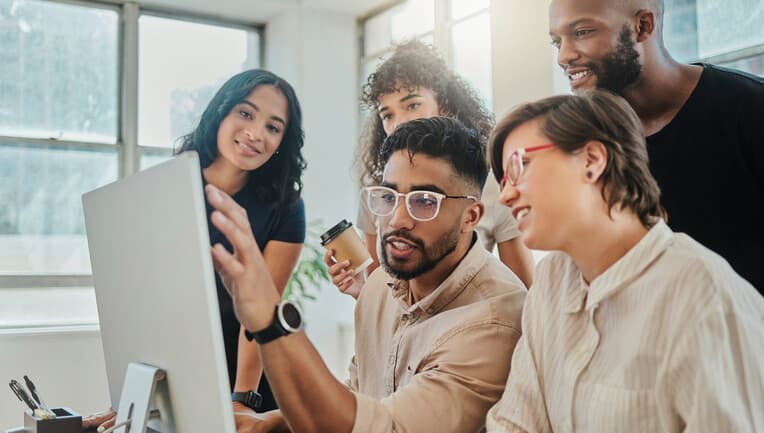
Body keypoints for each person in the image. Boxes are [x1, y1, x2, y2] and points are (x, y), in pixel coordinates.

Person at [548, 0, 764, 422]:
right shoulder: (597, 149)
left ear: (643, 26)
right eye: (557, 40)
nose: (564, 56)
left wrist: (733, 318)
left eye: (583, 32)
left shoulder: (754, 110)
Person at [483, 91, 764, 432]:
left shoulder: (706, 298)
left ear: (592, 160)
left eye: (518, 167)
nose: (505, 195)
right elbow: (515, 423)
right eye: (502, 180)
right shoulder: (551, 282)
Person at [209, 117, 526, 433]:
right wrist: (269, 422)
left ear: (470, 216)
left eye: (425, 201)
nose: (398, 220)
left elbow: (382, 427)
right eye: (388, 197)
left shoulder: (494, 322)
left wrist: (270, 320)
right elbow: (362, 397)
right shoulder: (379, 287)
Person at [328, 41, 533, 298]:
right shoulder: (376, 194)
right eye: (387, 115)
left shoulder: (491, 186)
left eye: (412, 105)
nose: (398, 123)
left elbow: (525, 294)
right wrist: (360, 290)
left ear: (445, 107)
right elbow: (381, 294)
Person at [177, 69, 307, 415]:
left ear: (282, 142)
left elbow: (260, 311)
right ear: (222, 111)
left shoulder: (285, 207)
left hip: (253, 377)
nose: (255, 133)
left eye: (273, 127)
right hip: (181, 368)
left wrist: (242, 398)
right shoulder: (172, 184)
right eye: (246, 113)